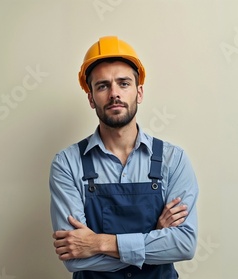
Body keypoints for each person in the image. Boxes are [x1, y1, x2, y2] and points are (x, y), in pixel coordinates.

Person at [49, 36, 199, 278]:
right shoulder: (67, 163)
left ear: (139, 93)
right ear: (91, 98)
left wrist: (98, 243)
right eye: (102, 86)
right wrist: (156, 237)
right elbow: (75, 258)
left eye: (124, 83)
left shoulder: (174, 159)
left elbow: (183, 245)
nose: (114, 94)